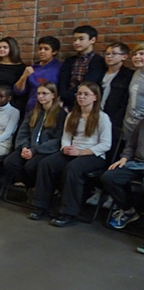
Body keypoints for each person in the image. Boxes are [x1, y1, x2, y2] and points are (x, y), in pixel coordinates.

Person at [28, 82, 111, 226]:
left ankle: (69, 213)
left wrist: (81, 152)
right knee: (46, 164)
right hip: (73, 150)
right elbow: (66, 137)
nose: (81, 97)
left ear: (95, 97)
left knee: (73, 168)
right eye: (79, 94)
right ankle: (41, 206)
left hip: (93, 155)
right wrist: (66, 148)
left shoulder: (102, 117)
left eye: (86, 94)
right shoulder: (72, 115)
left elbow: (106, 144)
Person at [3, 82, 66, 189]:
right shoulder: (34, 112)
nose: (41, 96)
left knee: (31, 166)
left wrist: (35, 150)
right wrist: (24, 147)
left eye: (44, 93)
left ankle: (42, 187)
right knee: (10, 162)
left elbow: (57, 138)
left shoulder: (60, 114)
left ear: (53, 95)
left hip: (45, 150)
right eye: (39, 93)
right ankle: (31, 185)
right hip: (29, 147)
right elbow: (23, 132)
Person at [101, 119, 144, 230]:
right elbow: (131, 145)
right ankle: (128, 211)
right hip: (137, 163)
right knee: (109, 177)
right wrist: (124, 158)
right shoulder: (142, 123)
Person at [58, 25, 106, 111]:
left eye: (81, 39)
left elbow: (90, 82)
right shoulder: (69, 60)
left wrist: (73, 95)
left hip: (86, 103)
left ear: (92, 40)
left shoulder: (98, 61)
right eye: (74, 39)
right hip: (66, 103)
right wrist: (64, 96)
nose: (76, 43)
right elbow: (63, 81)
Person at [13, 36, 62, 112]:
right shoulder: (32, 68)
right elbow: (18, 91)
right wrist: (24, 76)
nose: (42, 51)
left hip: (51, 109)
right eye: (40, 48)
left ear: (54, 52)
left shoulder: (59, 68)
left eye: (46, 49)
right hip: (32, 108)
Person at [0, 37, 26, 111]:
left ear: (12, 48)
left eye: (5, 47)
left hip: (11, 104)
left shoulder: (20, 67)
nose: (1, 49)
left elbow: (20, 91)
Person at [99, 42, 133, 136]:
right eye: (107, 54)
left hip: (115, 118)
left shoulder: (128, 75)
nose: (109, 56)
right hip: (97, 115)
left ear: (124, 56)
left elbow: (126, 101)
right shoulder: (100, 73)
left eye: (114, 53)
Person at [122, 44, 144, 140]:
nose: (137, 57)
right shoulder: (136, 73)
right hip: (129, 125)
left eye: (141, 54)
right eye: (135, 54)